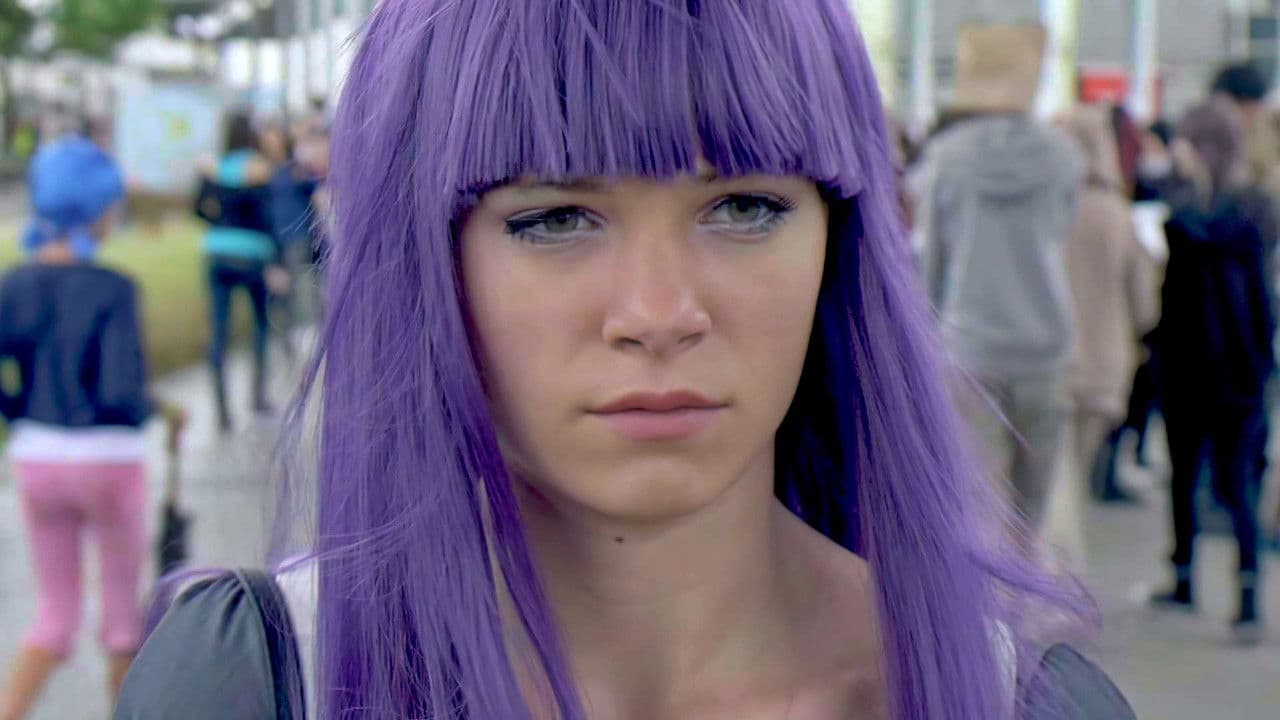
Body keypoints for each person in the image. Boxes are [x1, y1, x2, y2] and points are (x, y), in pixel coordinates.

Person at [118, 3, 1132, 719]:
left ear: (841, 241)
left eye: (745, 207)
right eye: (555, 217)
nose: (659, 315)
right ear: (419, 261)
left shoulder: (1018, 700)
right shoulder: (264, 683)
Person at [0, 138, 152, 719]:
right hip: (110, 461)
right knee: (121, 620)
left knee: (54, 615)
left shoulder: (15, 285)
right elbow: (120, 391)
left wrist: (19, 411)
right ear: (97, 210)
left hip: (38, 457)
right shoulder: (115, 289)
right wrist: (150, 410)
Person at [916, 23, 1085, 541]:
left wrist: (929, 334)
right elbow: (1061, 236)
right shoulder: (1064, 157)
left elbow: (933, 258)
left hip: (971, 344)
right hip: (1046, 343)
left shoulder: (946, 158)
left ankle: (986, 591)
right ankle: (1025, 579)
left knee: (978, 499)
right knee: (1033, 504)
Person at [1150, 99, 1275, 644]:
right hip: (1241, 367)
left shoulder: (1182, 216)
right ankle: (1247, 596)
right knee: (1238, 481)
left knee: (1184, 473)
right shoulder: (1258, 210)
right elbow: (1263, 296)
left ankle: (1183, 578)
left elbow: (1168, 296)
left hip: (1187, 363)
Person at [1054, 105, 1159, 566]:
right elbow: (1145, 305)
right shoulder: (1118, 214)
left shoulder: (1049, 208)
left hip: (1048, 361)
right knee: (1076, 475)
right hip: (1104, 366)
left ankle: (1049, 571)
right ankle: (1062, 568)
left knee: (1047, 485)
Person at [199, 112, 289, 431]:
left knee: (218, 331)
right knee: (261, 327)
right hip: (254, 253)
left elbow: (199, 209)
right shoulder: (260, 169)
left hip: (217, 251)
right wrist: (278, 261)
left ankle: (222, 410)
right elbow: (268, 218)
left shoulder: (213, 168)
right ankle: (257, 396)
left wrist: (221, 217)